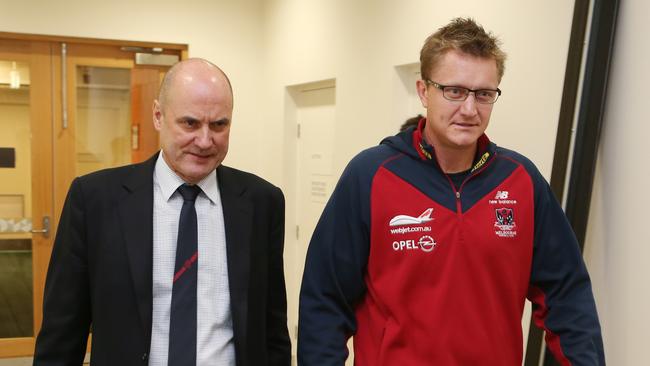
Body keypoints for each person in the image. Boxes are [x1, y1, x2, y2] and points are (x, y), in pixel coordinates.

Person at [298, 18, 603, 365]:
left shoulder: (521, 181)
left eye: (484, 94)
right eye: (454, 91)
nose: (470, 109)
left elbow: (567, 294)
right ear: (424, 91)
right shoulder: (370, 176)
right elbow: (325, 302)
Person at [34, 58, 291, 366]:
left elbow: (272, 325)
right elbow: (62, 330)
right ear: (158, 115)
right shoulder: (95, 200)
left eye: (219, 125)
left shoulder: (262, 202)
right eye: (190, 123)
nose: (205, 140)